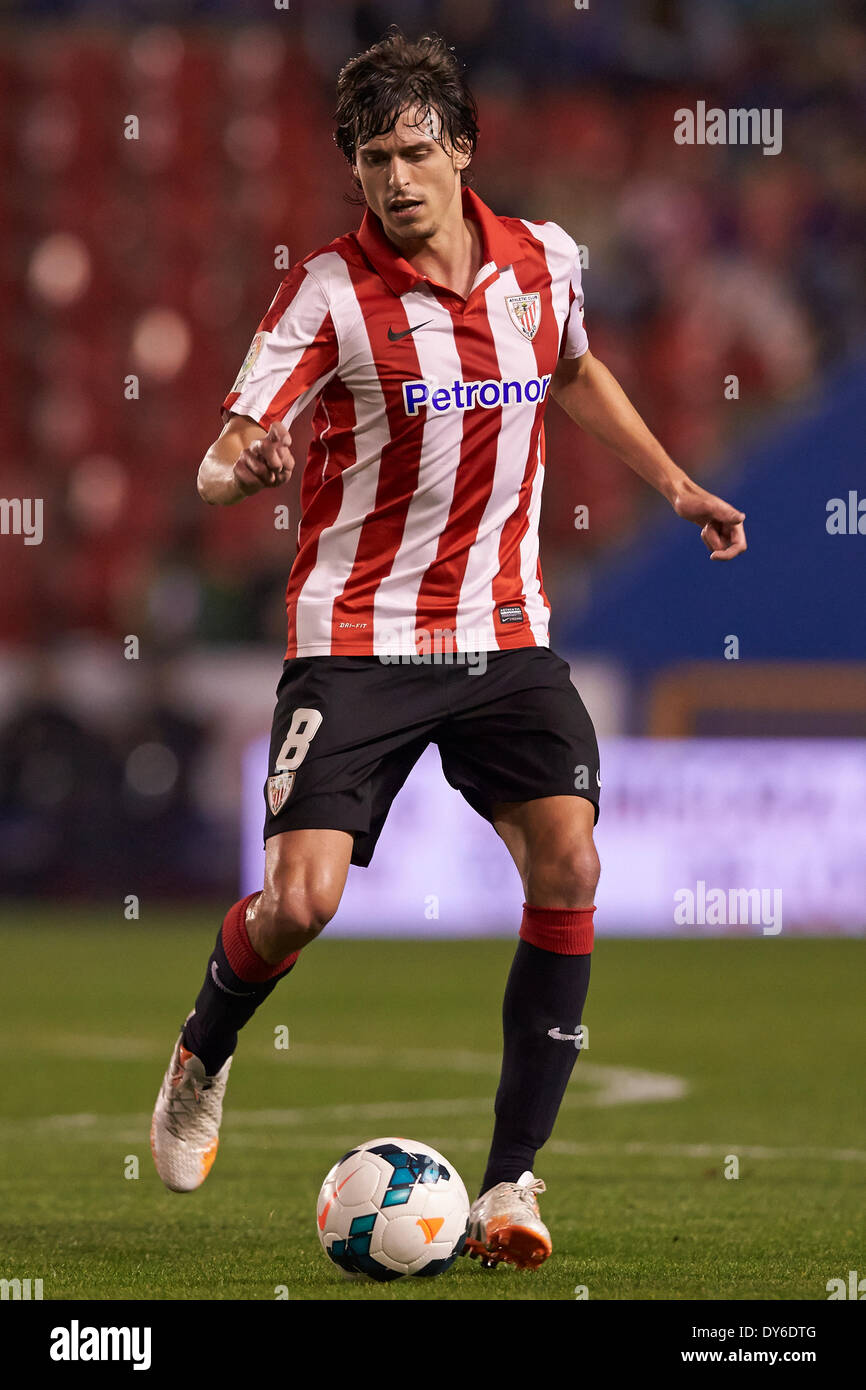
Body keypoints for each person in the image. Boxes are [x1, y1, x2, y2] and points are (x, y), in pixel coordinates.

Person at [151, 29, 746, 1272]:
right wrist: (234, 466)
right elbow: (222, 454)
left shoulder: (544, 260)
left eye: (415, 151)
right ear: (352, 170)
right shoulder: (324, 291)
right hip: (355, 640)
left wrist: (676, 482)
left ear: (461, 147)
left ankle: (510, 1186)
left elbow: (573, 371)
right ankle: (202, 1053)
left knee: (570, 864)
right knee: (303, 899)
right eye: (371, 158)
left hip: (502, 634)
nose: (395, 180)